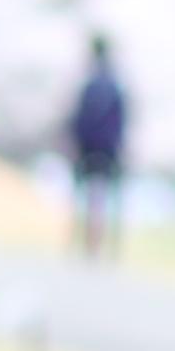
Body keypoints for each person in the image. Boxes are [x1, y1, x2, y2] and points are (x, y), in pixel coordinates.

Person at [65, 32, 130, 257]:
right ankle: (103, 246)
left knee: (85, 197)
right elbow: (122, 120)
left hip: (88, 147)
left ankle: (83, 243)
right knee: (103, 198)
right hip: (109, 147)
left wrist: (73, 142)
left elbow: (77, 118)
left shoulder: (89, 83)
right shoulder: (116, 84)